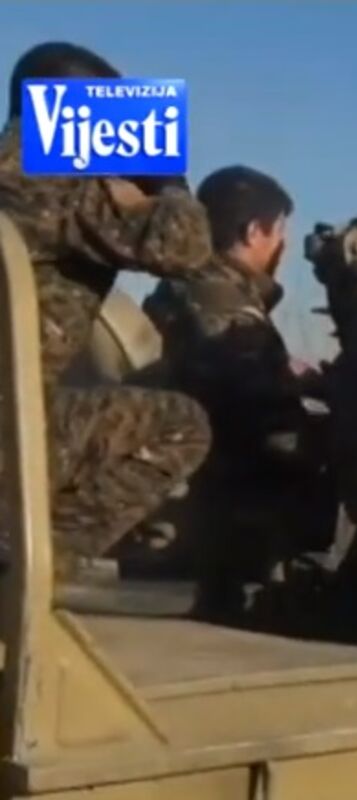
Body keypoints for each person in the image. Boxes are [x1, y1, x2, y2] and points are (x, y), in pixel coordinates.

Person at [0, 42, 213, 576]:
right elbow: (186, 245)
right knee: (182, 426)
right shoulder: (54, 177)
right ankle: (25, 570)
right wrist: (167, 178)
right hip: (8, 435)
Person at [143, 165, 332, 619]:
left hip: (208, 483)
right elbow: (265, 422)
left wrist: (294, 377)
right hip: (229, 501)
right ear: (252, 232)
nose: (282, 247)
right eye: (278, 232)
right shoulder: (226, 302)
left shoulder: (191, 287)